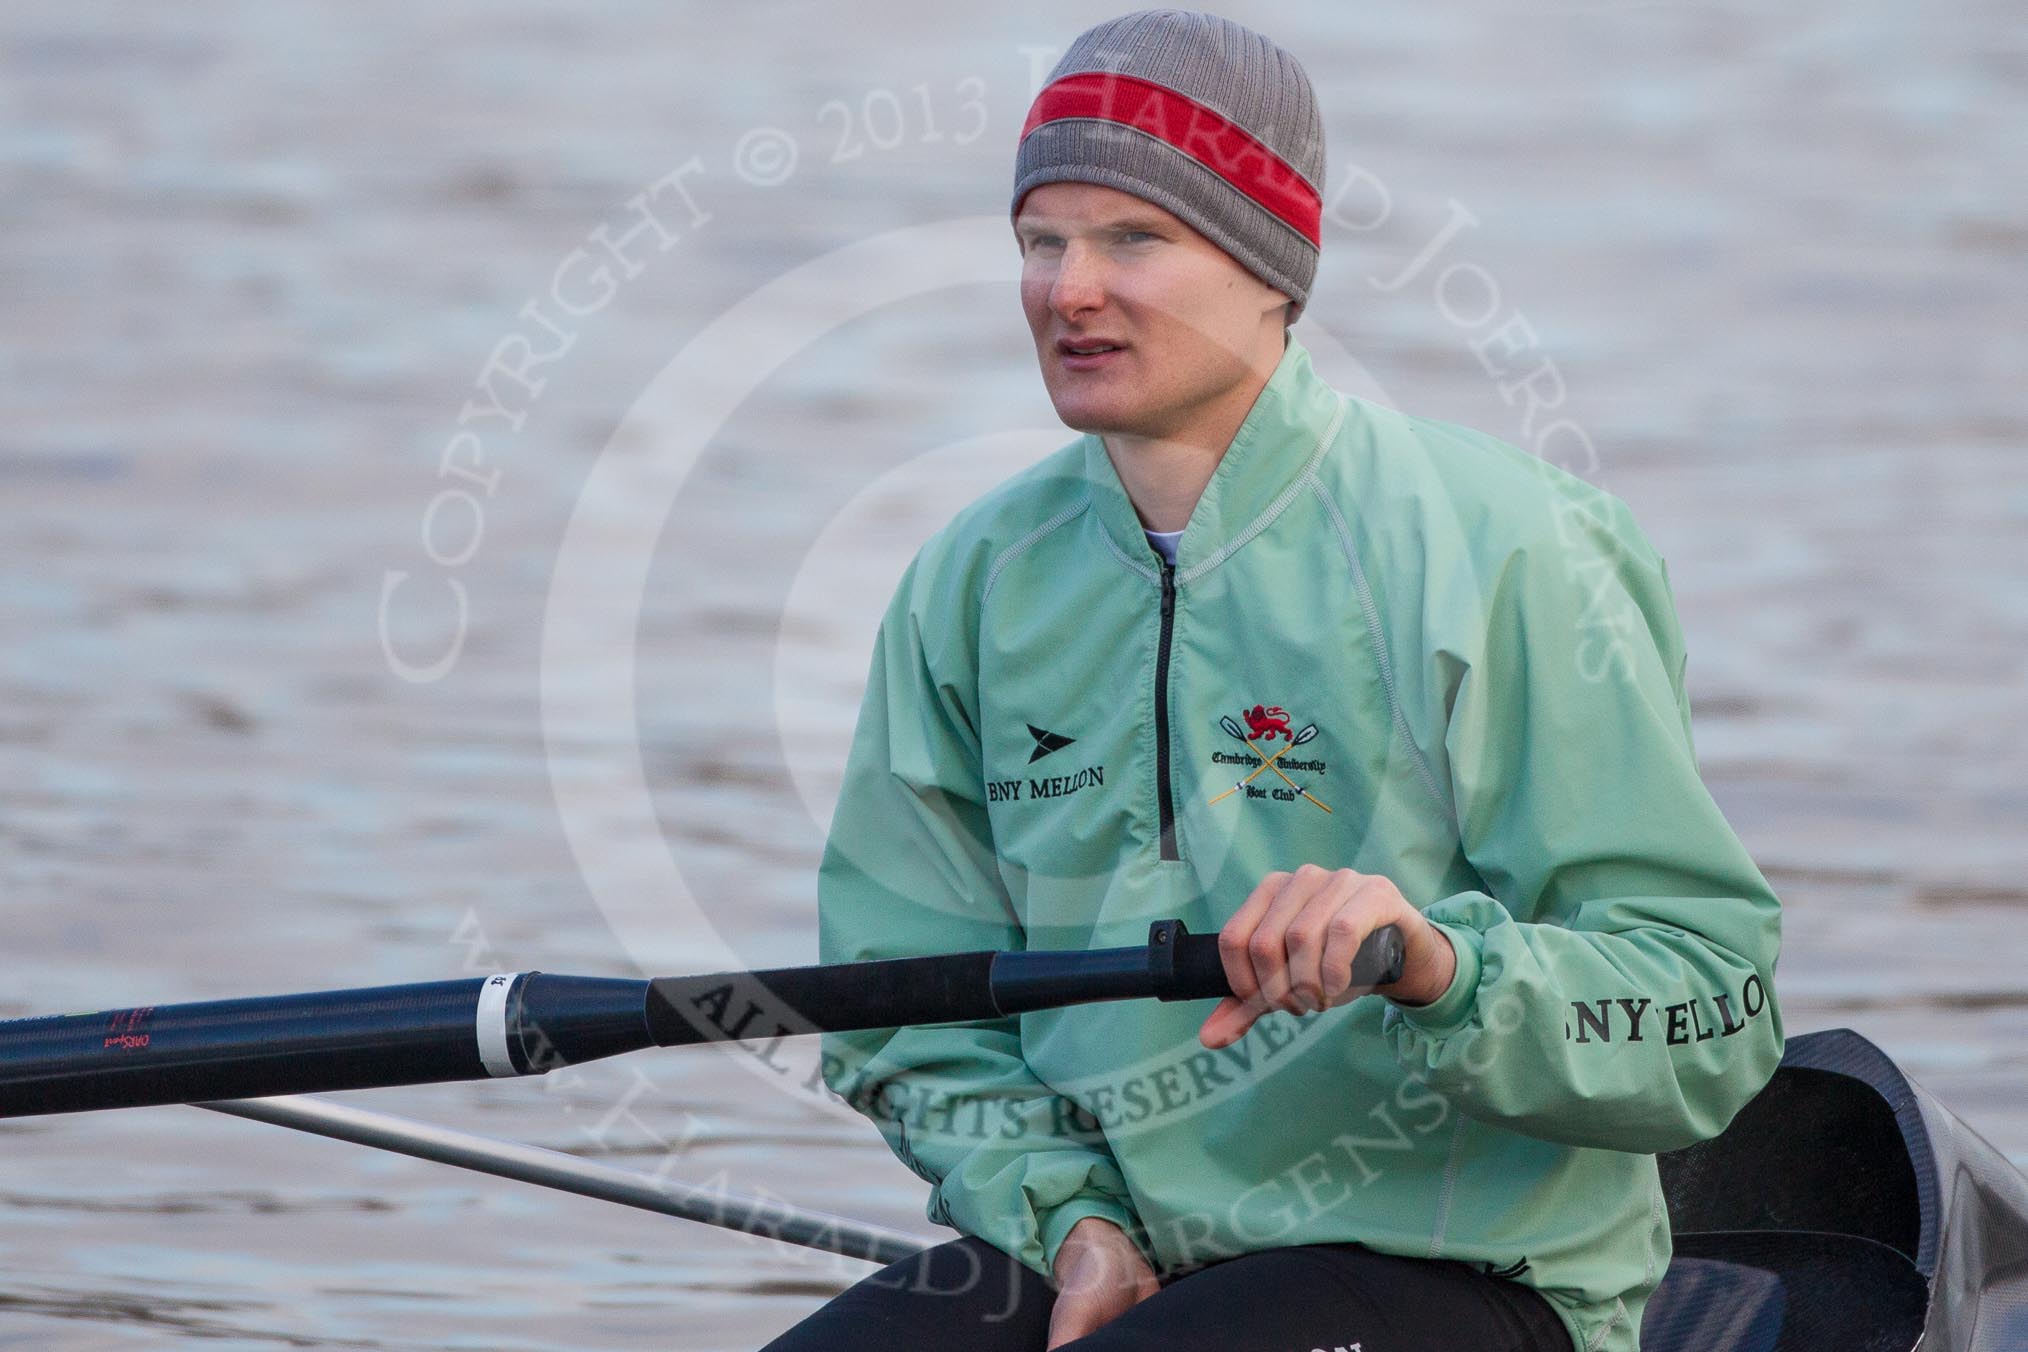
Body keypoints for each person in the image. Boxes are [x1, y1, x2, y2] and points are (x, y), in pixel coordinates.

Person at [763, 10, 1783, 1351]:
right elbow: (905, 1007)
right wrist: (1069, 1220)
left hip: (1466, 1276)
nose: (1068, 290)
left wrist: (1437, 968)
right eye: (1040, 241)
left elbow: (1715, 1006)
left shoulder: (1511, 548)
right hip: (1110, 1256)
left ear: (1270, 270)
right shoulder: (971, 581)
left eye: (1135, 239)